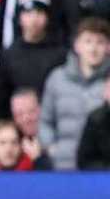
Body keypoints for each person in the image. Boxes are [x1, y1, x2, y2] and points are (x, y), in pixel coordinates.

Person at [39, 17, 110, 171]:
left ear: (108, 47)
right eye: (88, 41)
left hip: (100, 171)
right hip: (63, 166)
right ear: (77, 45)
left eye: (100, 42)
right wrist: (51, 149)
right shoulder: (57, 78)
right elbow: (44, 121)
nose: (93, 49)